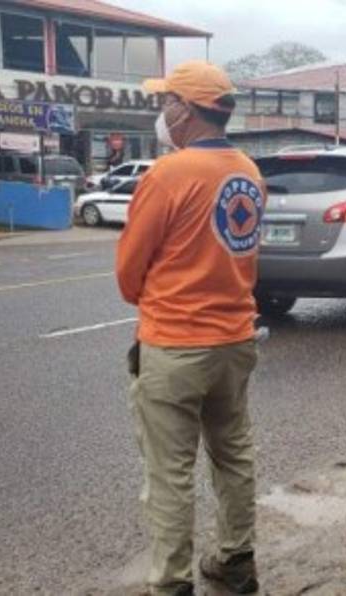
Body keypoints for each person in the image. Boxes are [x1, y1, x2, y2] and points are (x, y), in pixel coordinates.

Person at [116, 60, 266, 596]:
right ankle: (237, 560)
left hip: (176, 344)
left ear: (185, 109)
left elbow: (129, 274)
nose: (162, 112)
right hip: (235, 341)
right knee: (233, 452)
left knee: (170, 472)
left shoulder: (167, 174)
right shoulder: (248, 171)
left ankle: (172, 584)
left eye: (166, 102)